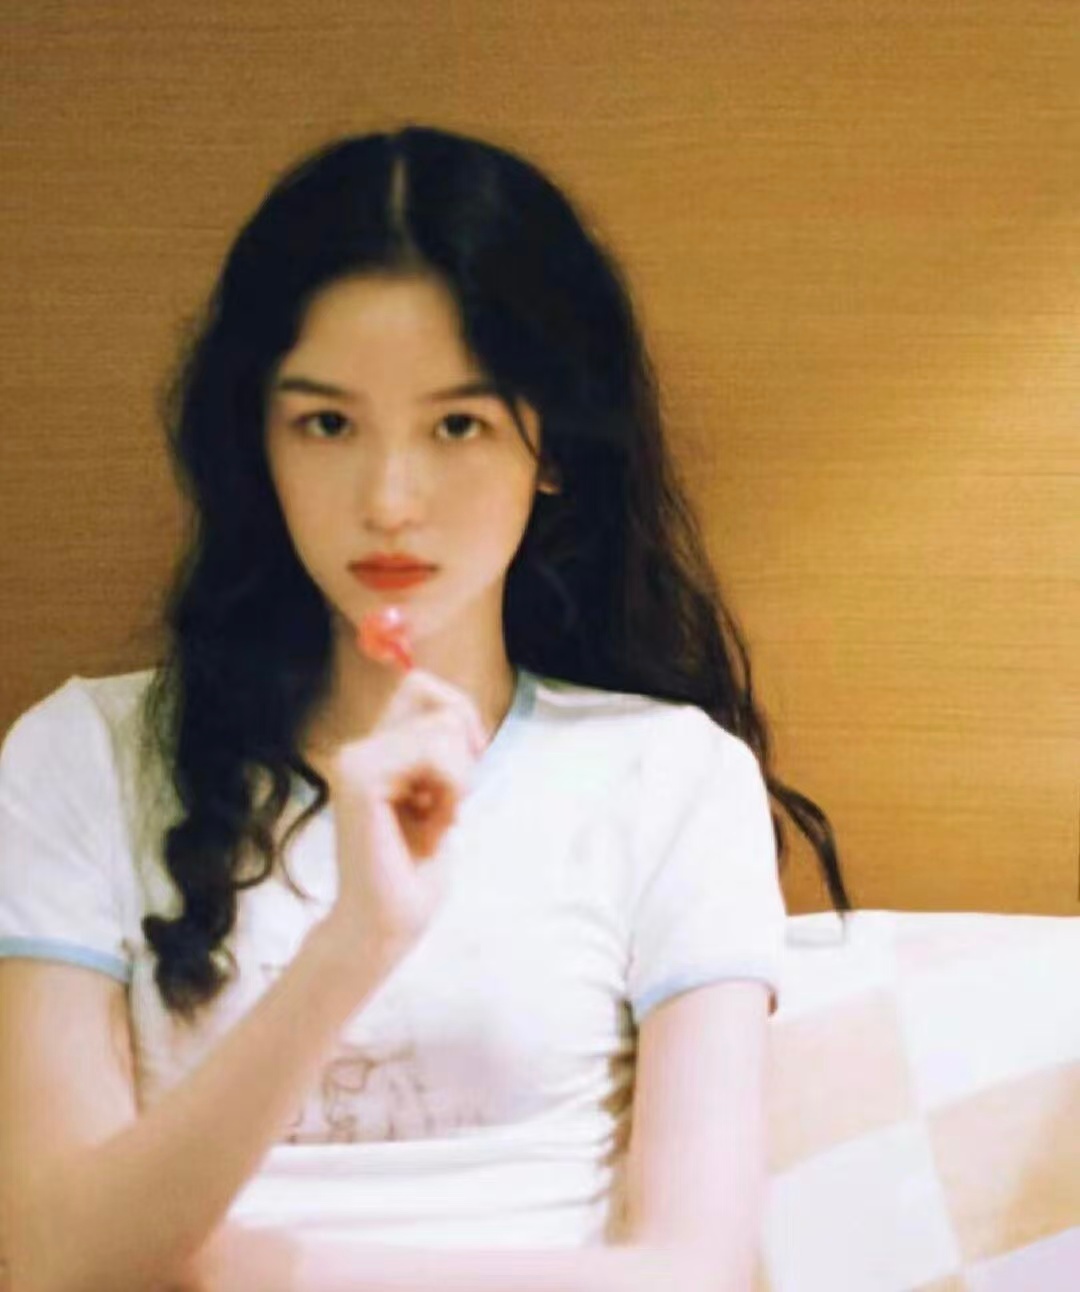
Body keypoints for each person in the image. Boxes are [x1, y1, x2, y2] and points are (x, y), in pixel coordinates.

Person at [0, 124, 850, 1292]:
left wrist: (235, 1271)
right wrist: (357, 941)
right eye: (328, 423)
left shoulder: (669, 774)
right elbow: (56, 1256)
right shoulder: (83, 755)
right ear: (258, 441)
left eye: (457, 424)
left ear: (552, 445)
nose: (390, 499)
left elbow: (692, 1271)